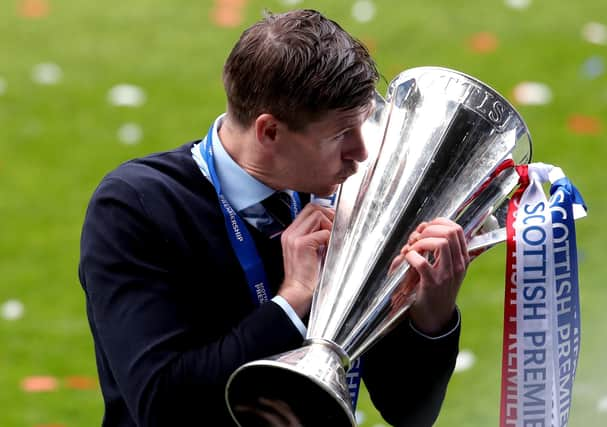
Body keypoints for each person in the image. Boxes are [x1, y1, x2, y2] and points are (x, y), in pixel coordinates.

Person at [79, 8, 469, 427]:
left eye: (362, 126)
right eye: (341, 135)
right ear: (269, 132)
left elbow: (409, 411)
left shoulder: (343, 197)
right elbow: (162, 404)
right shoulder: (136, 208)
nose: (361, 153)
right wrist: (292, 299)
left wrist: (431, 315)